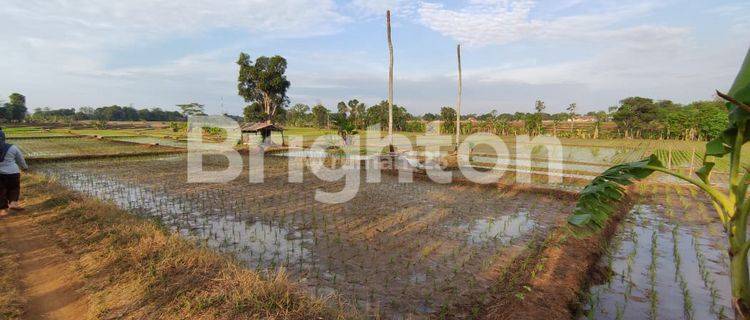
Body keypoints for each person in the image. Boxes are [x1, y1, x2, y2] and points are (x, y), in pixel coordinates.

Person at [0, 130, 28, 216]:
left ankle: (3, 209)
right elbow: (20, 159)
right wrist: (25, 168)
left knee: (1, 191)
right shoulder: (13, 147)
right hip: (13, 173)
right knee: (14, 188)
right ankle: (13, 203)